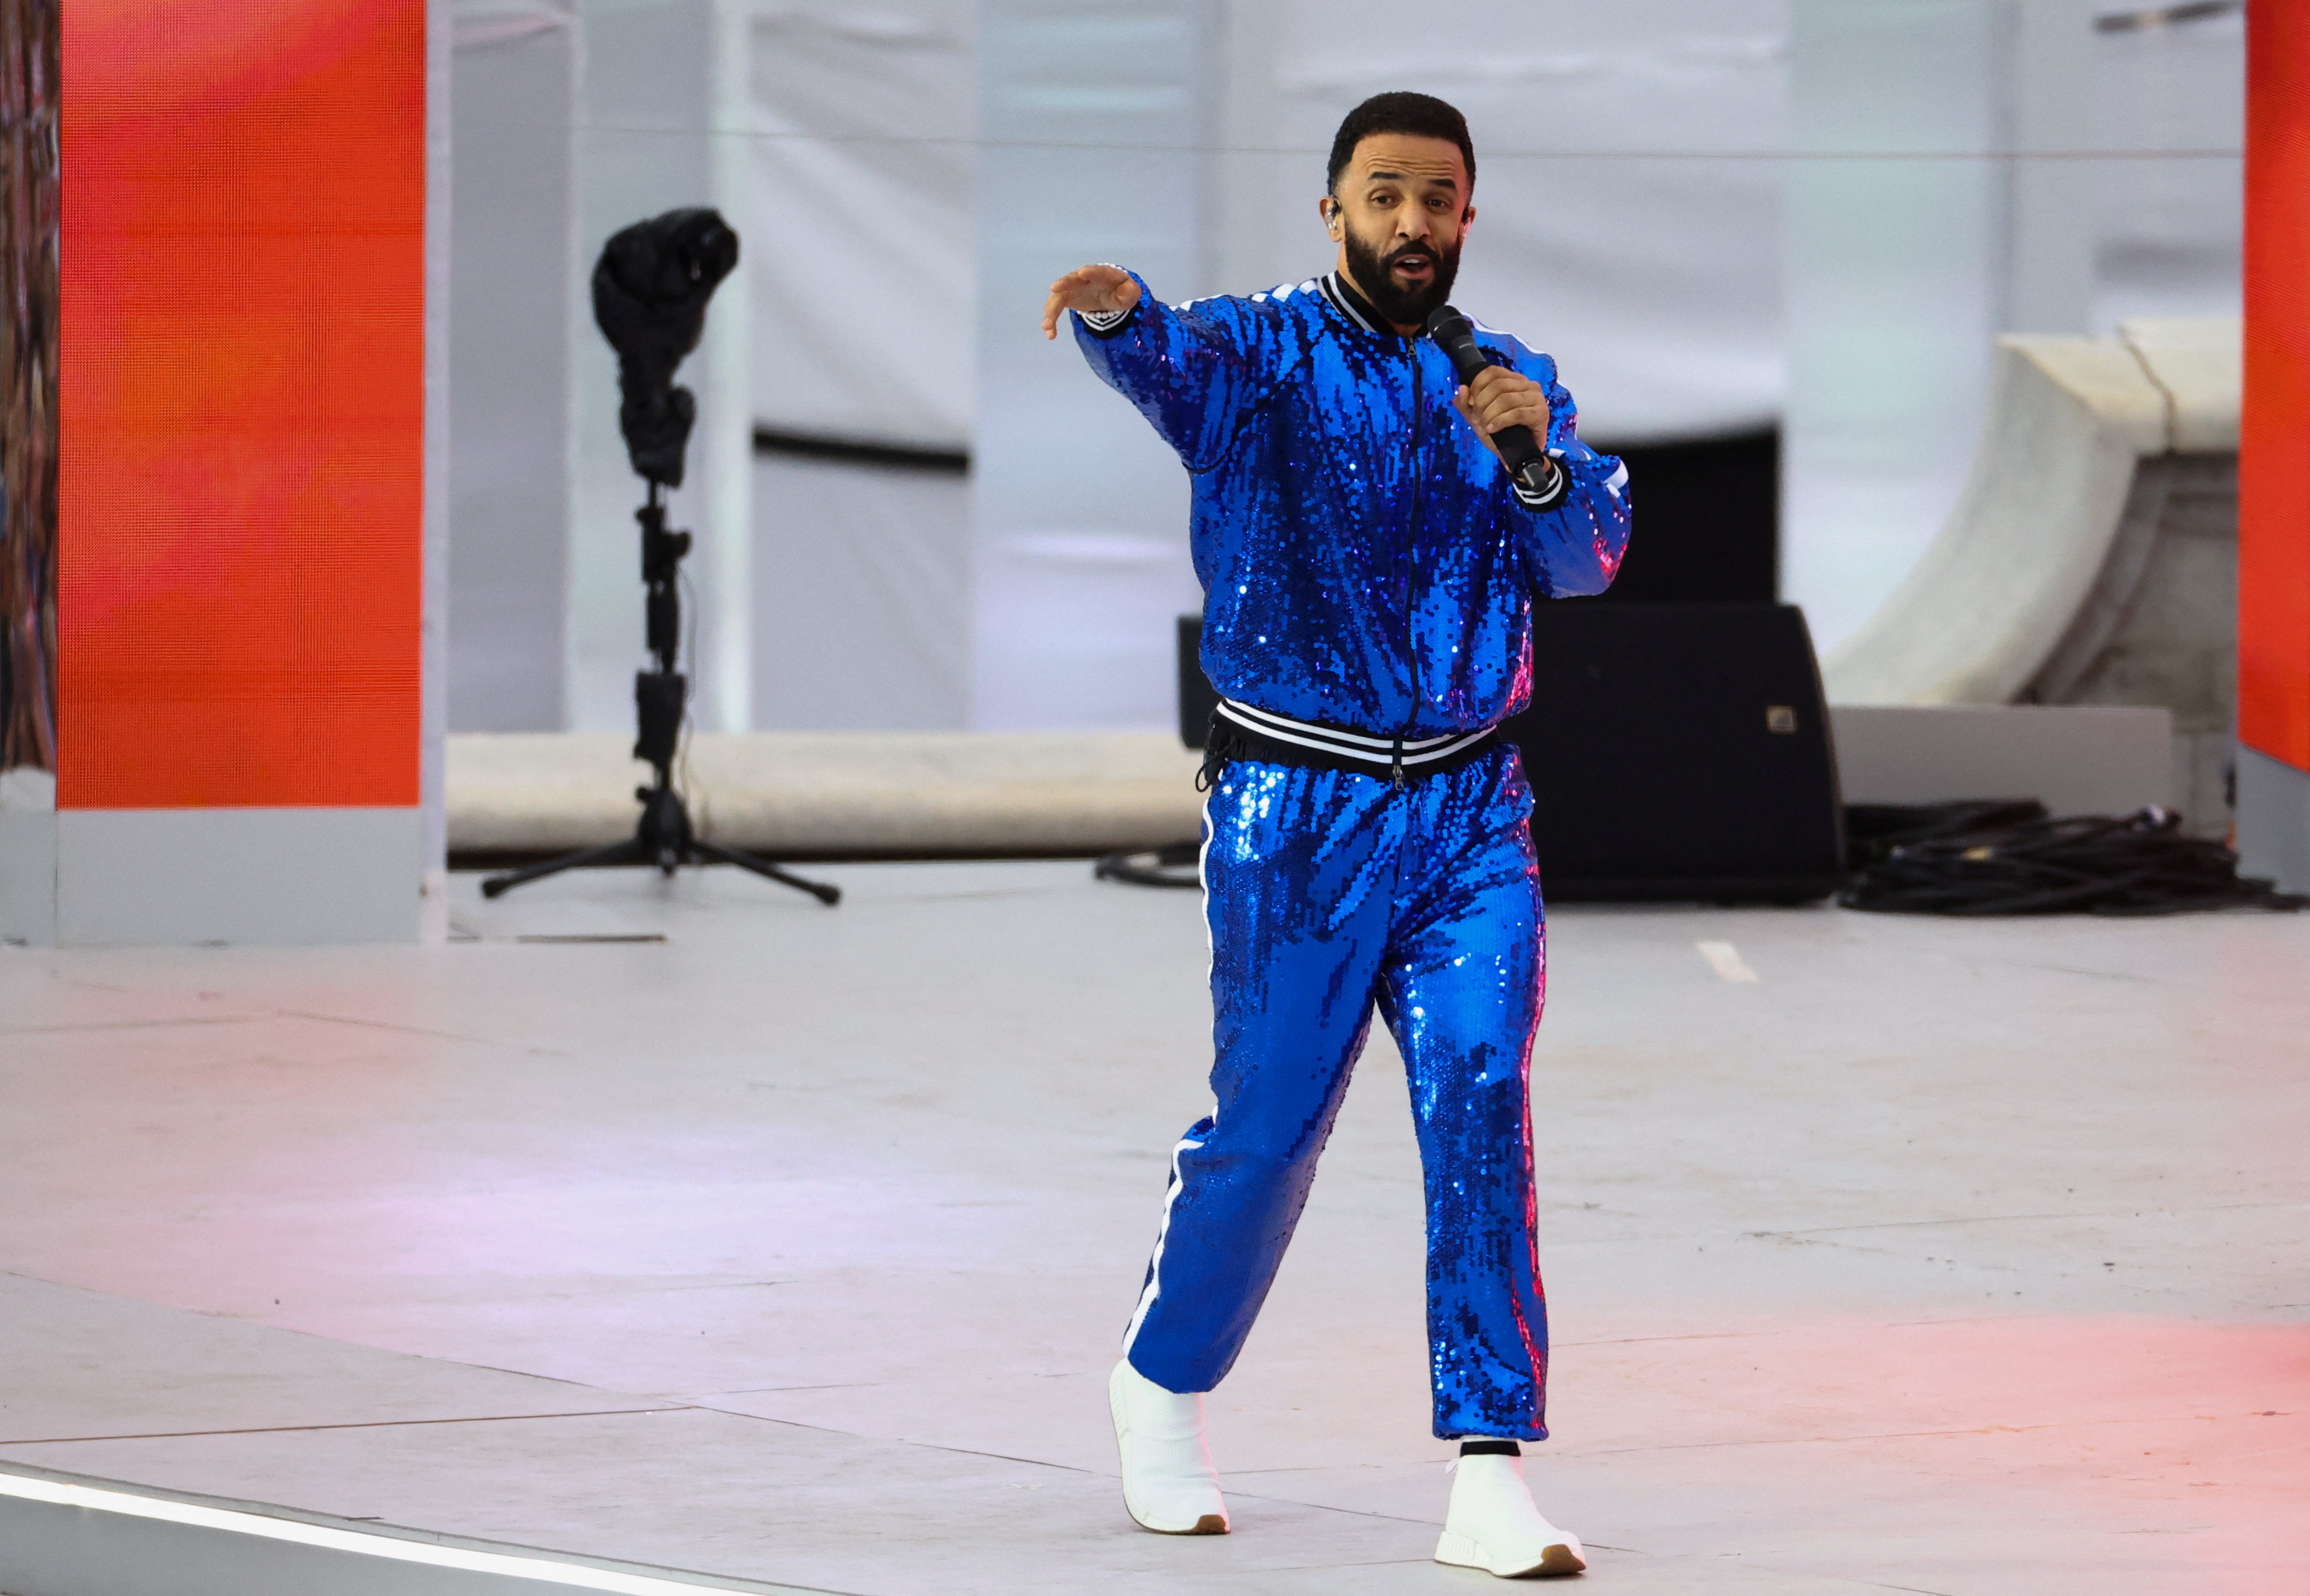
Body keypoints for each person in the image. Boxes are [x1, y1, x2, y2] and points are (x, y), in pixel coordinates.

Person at [1041, 90, 1630, 1580]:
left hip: (1470, 810)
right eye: (1384, 196)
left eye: (1437, 200)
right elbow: (1164, 362)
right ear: (1332, 212)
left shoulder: (1510, 378)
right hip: (1293, 810)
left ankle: (1489, 1468)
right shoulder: (1256, 351)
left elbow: (1587, 562)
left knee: (1480, 1099)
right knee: (1273, 1122)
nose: (1412, 225)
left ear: (1468, 216)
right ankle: (1160, 1386)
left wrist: (1534, 461)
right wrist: (1117, 317)